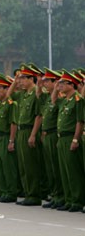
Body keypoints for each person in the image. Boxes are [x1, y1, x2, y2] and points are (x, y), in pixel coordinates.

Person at [8, 64, 43, 206]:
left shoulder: (36, 93)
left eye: (23, 78)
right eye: (19, 78)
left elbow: (38, 116)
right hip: (21, 131)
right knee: (23, 165)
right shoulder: (23, 94)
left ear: (31, 79)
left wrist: (33, 135)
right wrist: (15, 80)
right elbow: (9, 95)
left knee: (30, 165)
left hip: (29, 130)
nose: (20, 81)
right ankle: (28, 193)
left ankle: (34, 195)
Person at [53, 70, 85, 212]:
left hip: (70, 137)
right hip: (62, 138)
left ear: (71, 85)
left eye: (62, 83)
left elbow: (79, 121)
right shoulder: (65, 100)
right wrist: (56, 88)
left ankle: (77, 200)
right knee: (64, 171)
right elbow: (53, 100)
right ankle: (69, 199)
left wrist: (75, 139)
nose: (59, 86)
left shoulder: (77, 100)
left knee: (73, 171)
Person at [0, 74, 18, 203]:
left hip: (6, 137)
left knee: (8, 166)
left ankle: (11, 192)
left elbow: (13, 123)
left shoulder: (11, 104)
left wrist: (11, 141)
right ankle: (3, 191)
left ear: (6, 89)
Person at [37, 68, 64, 209]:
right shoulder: (46, 97)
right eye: (45, 80)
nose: (45, 83)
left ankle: (60, 196)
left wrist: (57, 87)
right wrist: (39, 83)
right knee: (50, 168)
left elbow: (55, 100)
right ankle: (54, 195)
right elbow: (38, 93)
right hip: (46, 134)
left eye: (48, 81)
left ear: (55, 83)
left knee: (56, 167)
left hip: (54, 134)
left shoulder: (59, 97)